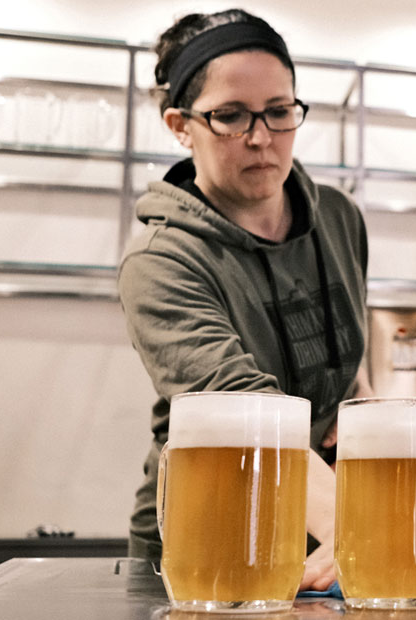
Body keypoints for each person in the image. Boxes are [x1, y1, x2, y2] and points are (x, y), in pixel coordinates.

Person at [117, 8, 371, 591]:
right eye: (230, 116)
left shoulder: (337, 216)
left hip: (319, 531)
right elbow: (241, 404)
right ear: (181, 124)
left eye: (280, 112)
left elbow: (348, 347)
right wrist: (364, 525)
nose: (261, 138)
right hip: (208, 535)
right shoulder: (160, 261)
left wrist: (354, 401)